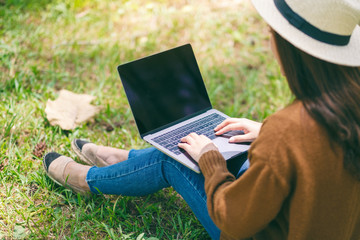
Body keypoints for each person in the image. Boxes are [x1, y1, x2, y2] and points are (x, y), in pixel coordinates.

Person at [43, 0, 360, 239]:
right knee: (216, 146)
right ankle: (128, 161)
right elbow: (317, 155)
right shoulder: (345, 109)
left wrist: (211, 161)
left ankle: (88, 181)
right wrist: (265, 133)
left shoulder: (288, 132)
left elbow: (233, 219)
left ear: (291, 50)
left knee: (177, 159)